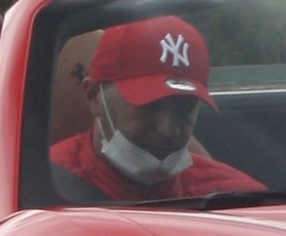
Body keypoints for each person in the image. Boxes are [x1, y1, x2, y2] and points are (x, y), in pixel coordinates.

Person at [47, 16, 259, 206]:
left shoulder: (237, 201)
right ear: (94, 97)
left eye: (184, 109)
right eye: (149, 106)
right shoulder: (38, 188)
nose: (168, 130)